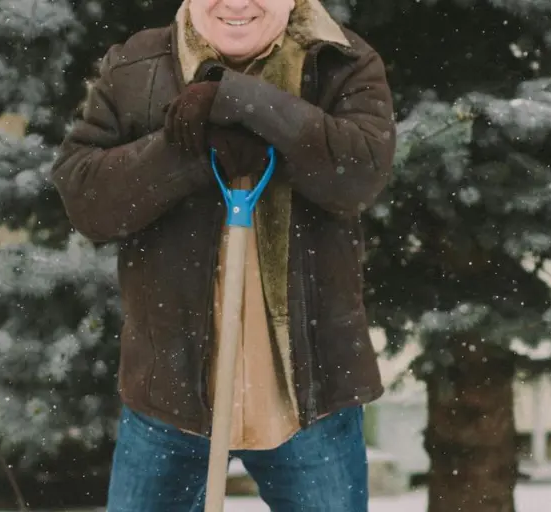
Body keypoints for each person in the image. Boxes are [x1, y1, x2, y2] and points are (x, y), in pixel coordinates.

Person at [50, 0, 395, 509]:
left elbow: (359, 176)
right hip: (169, 397)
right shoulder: (135, 65)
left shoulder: (341, 62)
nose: (236, 4)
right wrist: (189, 153)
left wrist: (242, 100)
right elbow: (87, 201)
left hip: (308, 401)